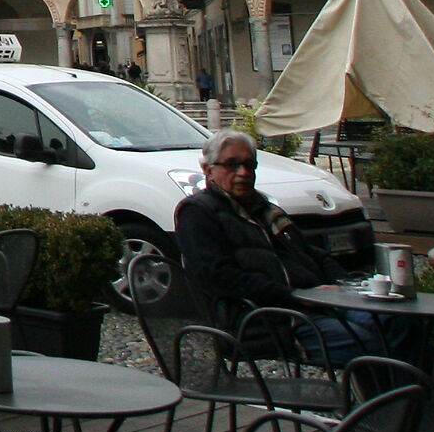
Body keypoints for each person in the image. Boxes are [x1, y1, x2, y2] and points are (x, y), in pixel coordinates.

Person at [173, 129, 412, 364]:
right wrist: (296, 296)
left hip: (317, 305)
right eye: (232, 165)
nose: (243, 172)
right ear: (209, 170)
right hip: (270, 319)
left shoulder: (265, 208)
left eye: (249, 164)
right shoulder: (198, 212)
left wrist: (344, 289)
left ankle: (405, 400)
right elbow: (218, 276)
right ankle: (399, 399)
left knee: (399, 322)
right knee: (373, 345)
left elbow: (310, 253)